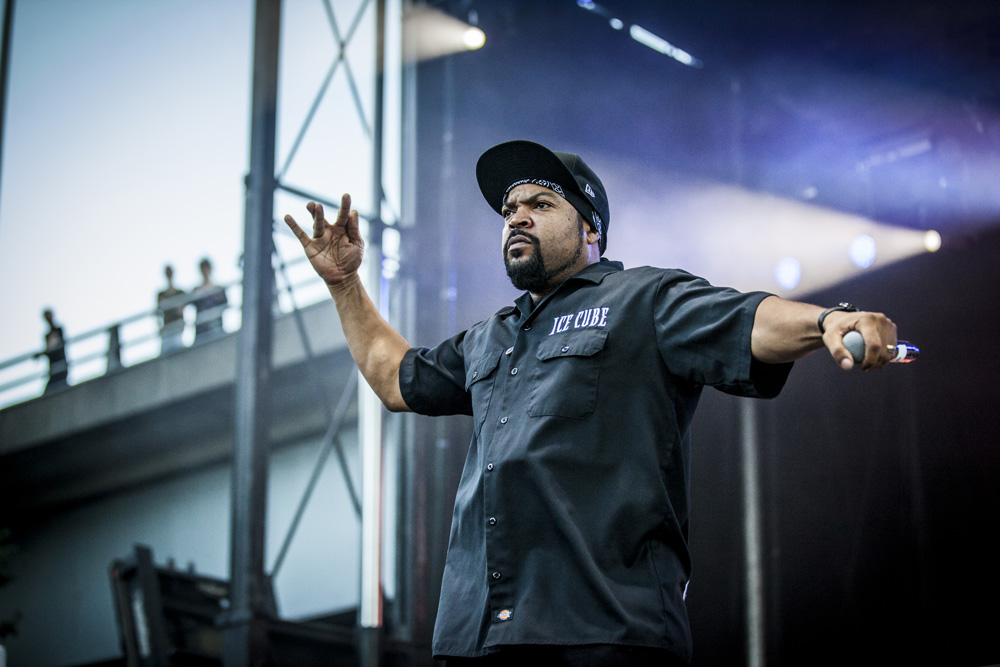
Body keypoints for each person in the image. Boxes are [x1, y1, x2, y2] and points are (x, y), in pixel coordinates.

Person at [283, 140, 900, 666]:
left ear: (590, 228)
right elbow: (395, 379)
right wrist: (344, 283)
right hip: (478, 641)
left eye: (540, 204)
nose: (516, 217)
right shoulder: (487, 337)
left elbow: (747, 319)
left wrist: (825, 321)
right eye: (509, 210)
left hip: (604, 636)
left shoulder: (644, 298)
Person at [191, 257, 228, 344]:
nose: (205, 271)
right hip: (201, 330)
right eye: (203, 268)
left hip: (216, 326)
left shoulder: (218, 289)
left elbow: (225, 303)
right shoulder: (197, 290)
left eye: (206, 267)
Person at [35, 308, 68, 394]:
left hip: (61, 363)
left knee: (61, 384)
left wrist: (42, 353)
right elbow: (49, 351)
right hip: (52, 366)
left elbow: (57, 346)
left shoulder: (59, 330)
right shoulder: (47, 336)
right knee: (54, 386)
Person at [156, 264, 187, 354]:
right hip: (167, 327)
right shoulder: (161, 294)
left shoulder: (179, 292)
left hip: (177, 326)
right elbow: (158, 313)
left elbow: (181, 309)